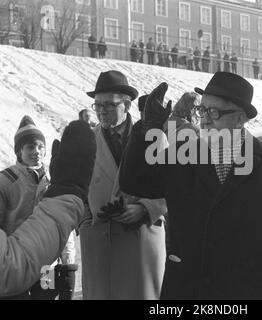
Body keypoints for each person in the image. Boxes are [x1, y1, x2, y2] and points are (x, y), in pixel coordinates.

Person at [119, 72, 262, 300]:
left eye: (214, 112)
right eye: (202, 110)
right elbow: (134, 182)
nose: (204, 120)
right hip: (186, 292)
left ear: (240, 118)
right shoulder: (181, 155)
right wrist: (148, 129)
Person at [80, 70, 167, 300]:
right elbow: (76, 187)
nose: (101, 111)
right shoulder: (87, 140)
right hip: (100, 240)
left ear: (127, 106)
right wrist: (86, 218)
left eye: (108, 104)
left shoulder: (151, 136)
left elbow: (171, 184)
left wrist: (145, 208)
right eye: (97, 105)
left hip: (139, 239)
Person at [0, 121, 96, 298]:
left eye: (40, 146)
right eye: (30, 147)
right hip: (15, 262)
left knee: (46, 297)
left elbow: (62, 226)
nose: (36, 152)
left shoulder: (54, 182)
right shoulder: (5, 181)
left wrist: (68, 262)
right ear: (19, 151)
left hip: (47, 266)